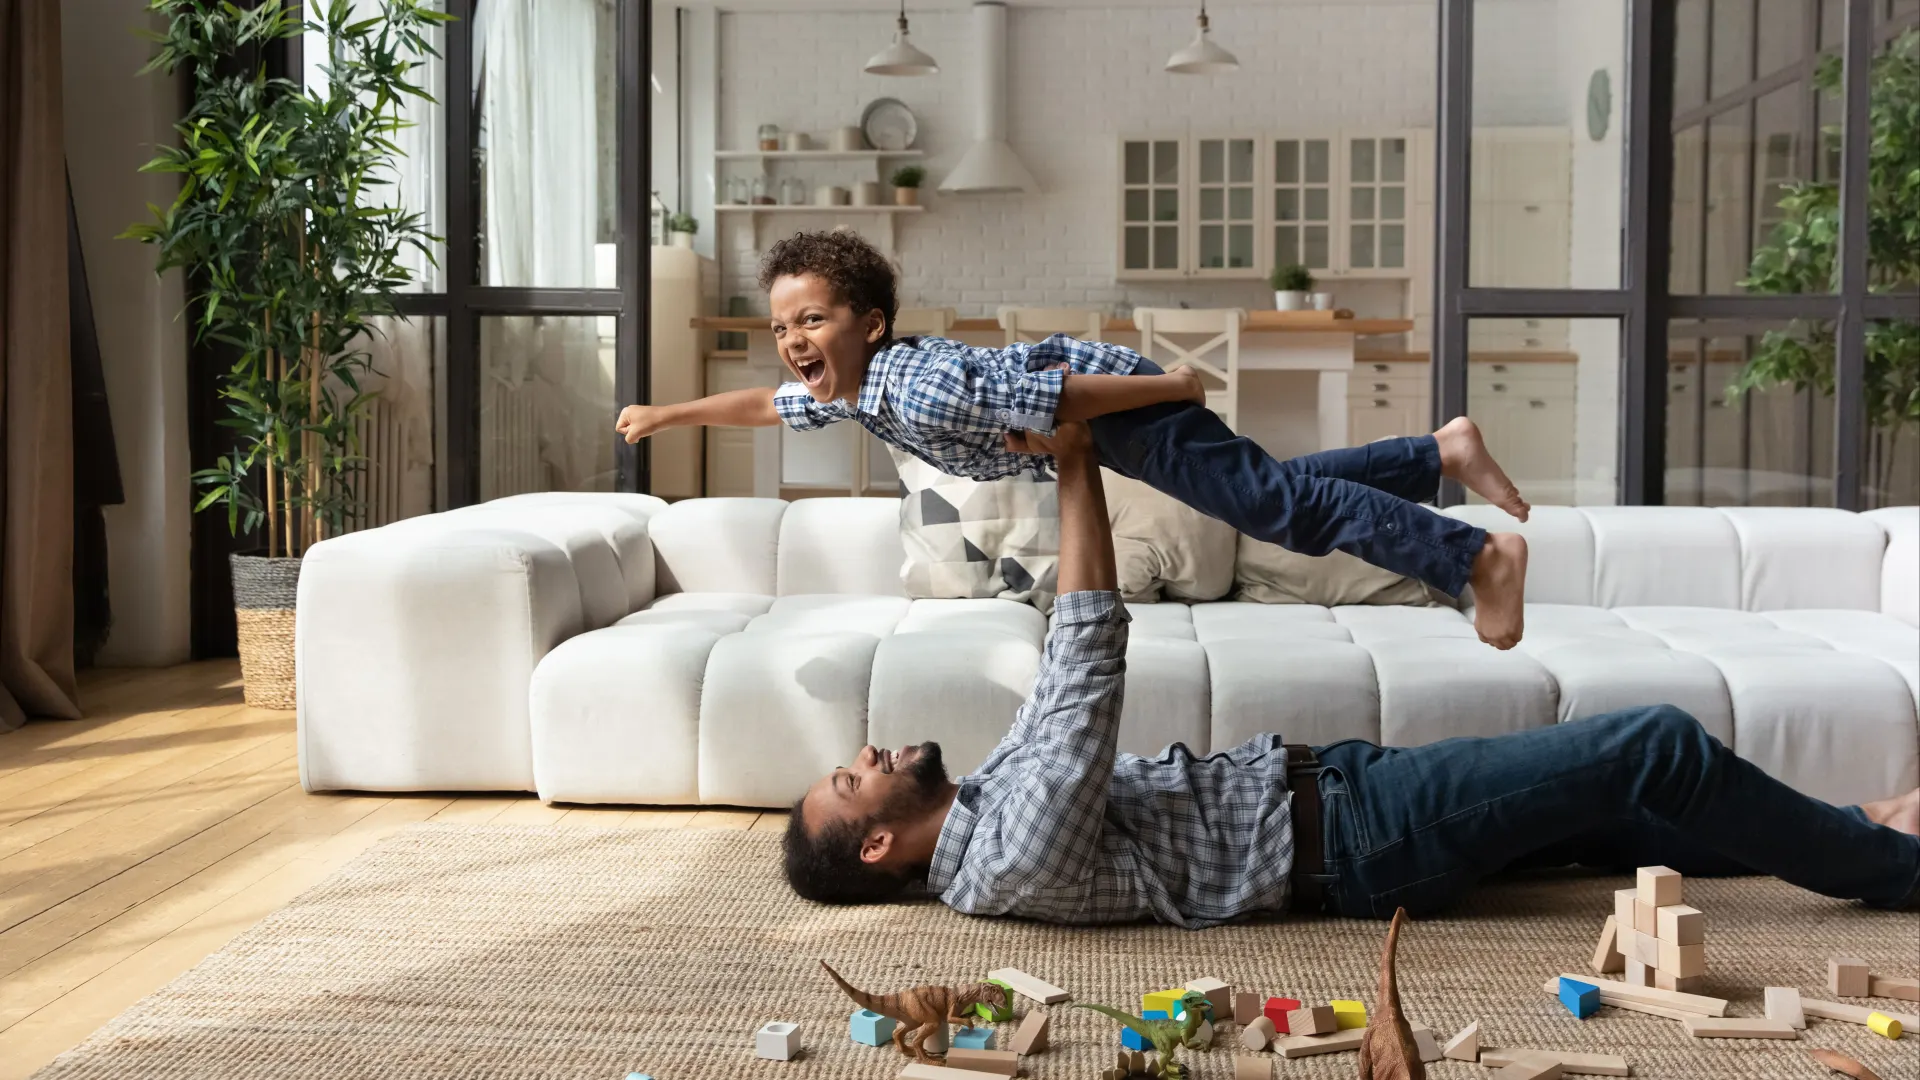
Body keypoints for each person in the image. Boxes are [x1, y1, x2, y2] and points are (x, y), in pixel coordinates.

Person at [779, 419, 1920, 927]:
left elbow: (1045, 693)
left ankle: (1852, 819)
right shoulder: (1012, 859)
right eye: (853, 779)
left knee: (1602, 806)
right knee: (1650, 745)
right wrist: (1077, 461)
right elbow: (1081, 671)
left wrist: (1089, 451)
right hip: (1363, 842)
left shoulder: (986, 813)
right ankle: (1891, 867)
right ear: (877, 845)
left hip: (1348, 796)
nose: (869, 755)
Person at [615, 229, 1533, 648]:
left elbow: (1050, 391)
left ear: (872, 323)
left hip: (1120, 407)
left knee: (1276, 509)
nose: (793, 344)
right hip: (1103, 420)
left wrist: (1172, 381)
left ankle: (1474, 557)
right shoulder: (858, 390)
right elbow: (766, 407)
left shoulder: (921, 385)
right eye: (784, 330)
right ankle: (1440, 452)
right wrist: (666, 415)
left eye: (811, 321)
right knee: (1259, 486)